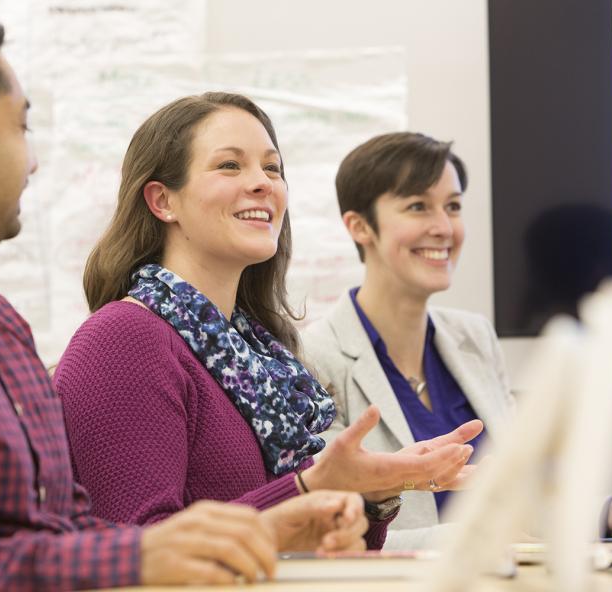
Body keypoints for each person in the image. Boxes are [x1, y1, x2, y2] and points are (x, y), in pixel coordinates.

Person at [0, 6, 370, 590]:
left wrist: (278, 521)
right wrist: (136, 559)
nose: (31, 161)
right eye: (20, 128)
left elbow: (70, 531)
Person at [54, 93, 484, 549]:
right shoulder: (122, 340)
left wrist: (370, 493)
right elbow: (144, 554)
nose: (263, 184)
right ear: (162, 201)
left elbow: (306, 544)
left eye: (273, 168)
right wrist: (310, 488)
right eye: (229, 166)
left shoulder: (259, 353)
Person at [300, 132, 516, 550]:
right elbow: (328, 535)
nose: (443, 228)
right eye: (418, 206)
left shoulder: (475, 337)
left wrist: (610, 511)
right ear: (359, 226)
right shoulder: (313, 358)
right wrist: (482, 538)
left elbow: (526, 495)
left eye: (452, 207)